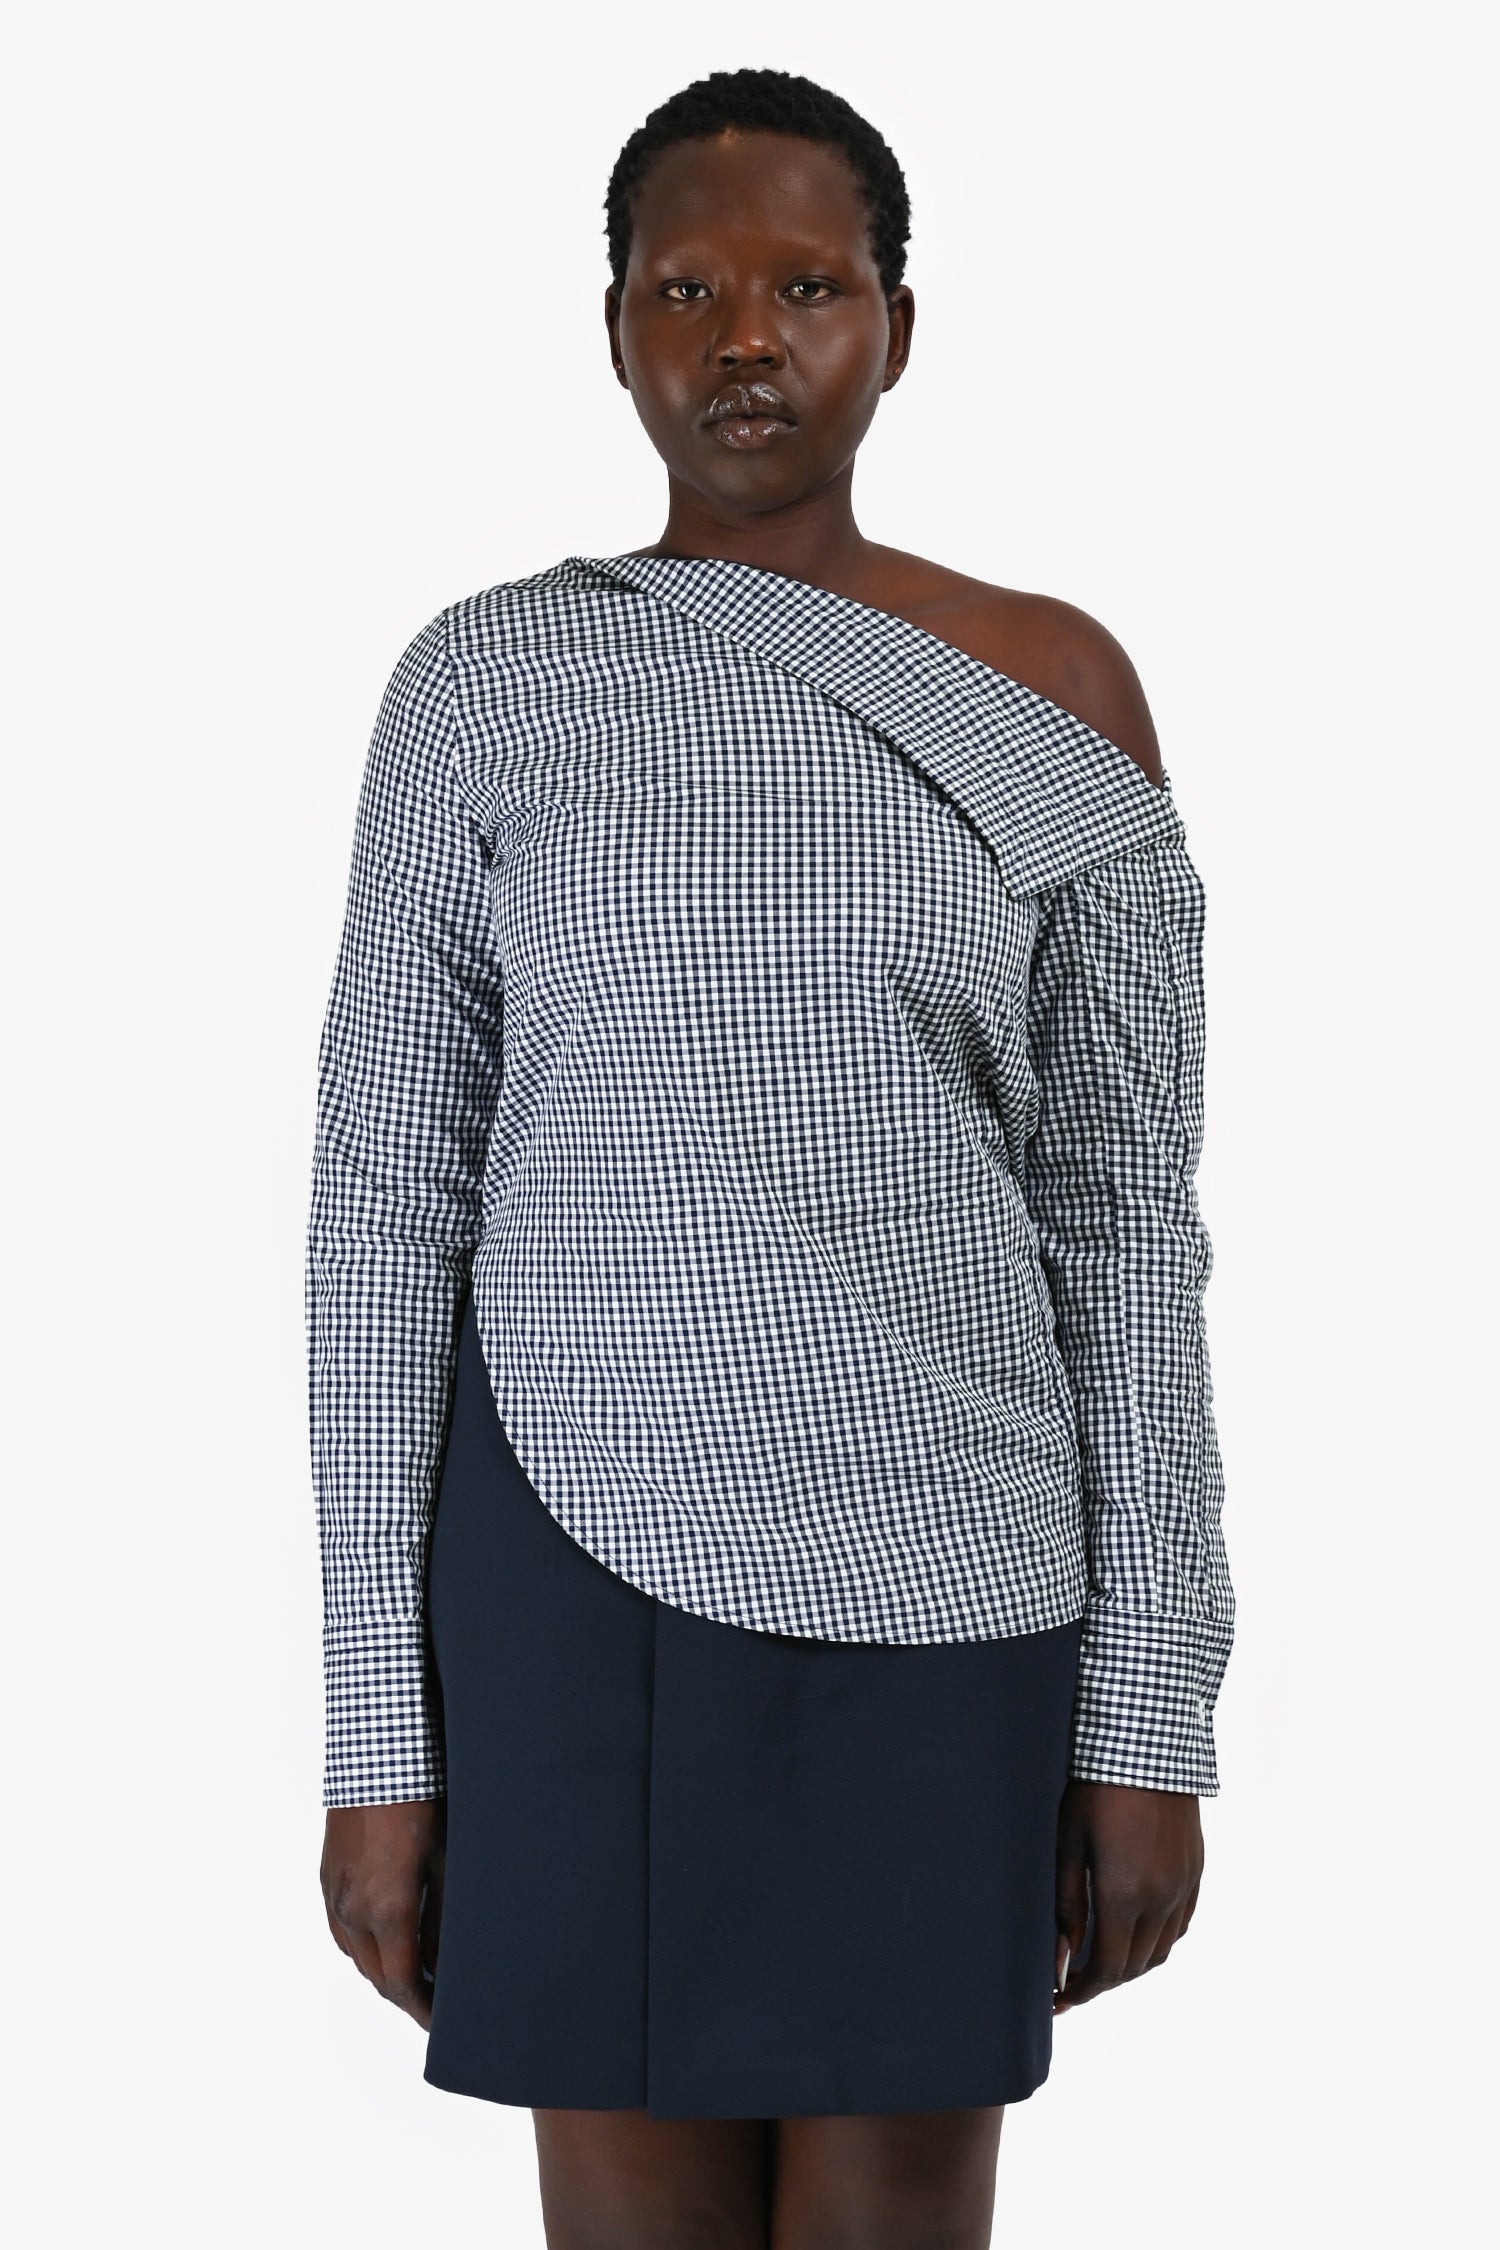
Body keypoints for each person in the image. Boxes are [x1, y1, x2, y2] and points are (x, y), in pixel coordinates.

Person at [307, 65, 1235, 2250]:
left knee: (896, 2211)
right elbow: (382, 1209)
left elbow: (1125, 1226)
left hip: (957, 1568)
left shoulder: (1055, 694)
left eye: (808, 287)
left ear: (898, 326)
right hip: (571, 1554)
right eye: (685, 288)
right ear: (613, 328)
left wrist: (1152, 1708)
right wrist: (376, 1736)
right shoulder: (487, 684)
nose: (745, 338)